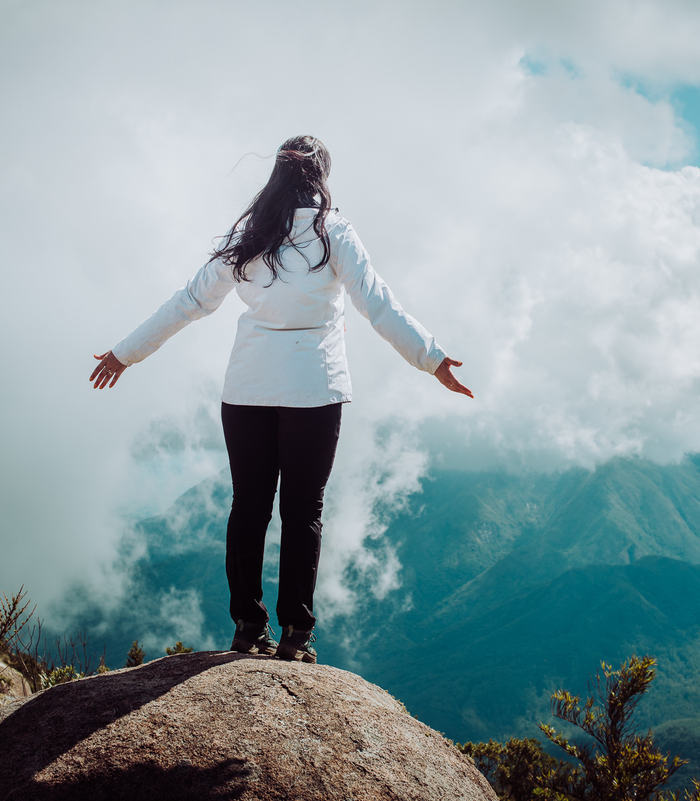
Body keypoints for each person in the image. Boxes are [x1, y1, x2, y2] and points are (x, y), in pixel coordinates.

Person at [89, 135, 471, 663]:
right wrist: (432, 360)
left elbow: (188, 303)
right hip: (314, 389)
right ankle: (295, 634)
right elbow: (377, 305)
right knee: (302, 509)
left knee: (248, 505)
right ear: (322, 179)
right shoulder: (333, 231)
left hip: (246, 388)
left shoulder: (249, 235)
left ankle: (248, 626)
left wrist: (124, 354)